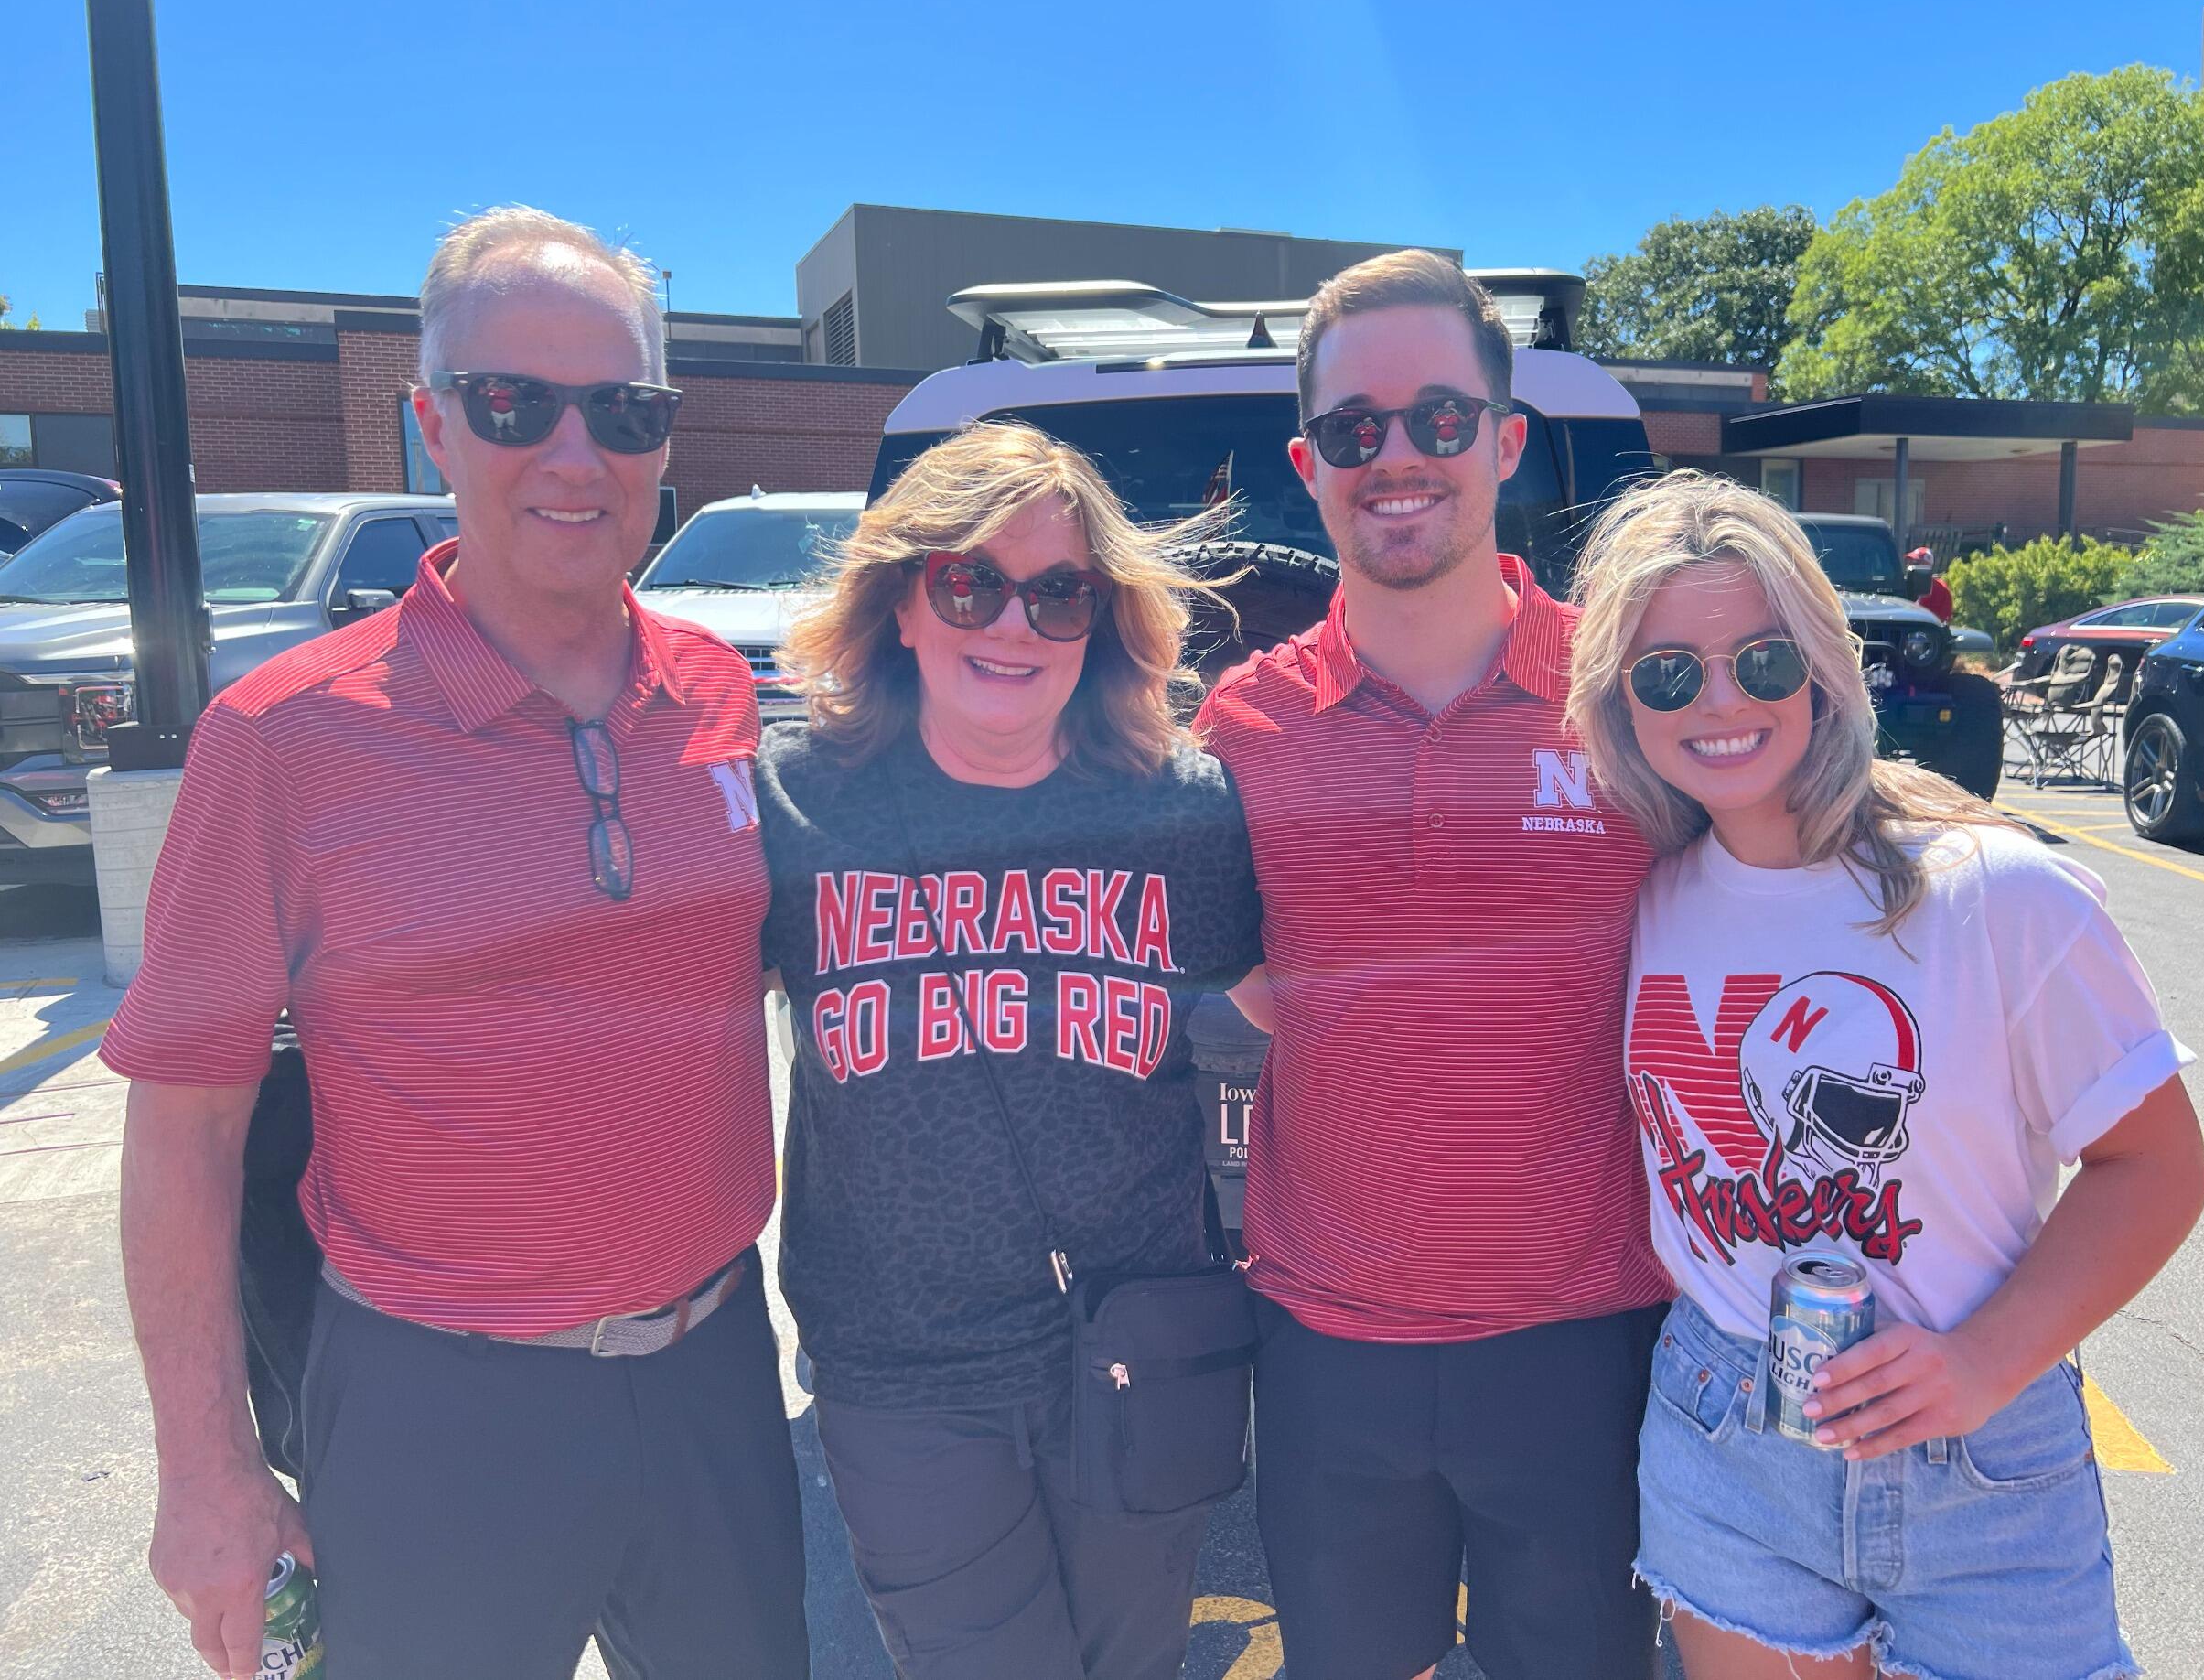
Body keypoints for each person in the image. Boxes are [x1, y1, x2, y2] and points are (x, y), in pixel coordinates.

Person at [103, 206, 809, 1680]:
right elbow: (184, 1126)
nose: (575, 453)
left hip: (718, 1376)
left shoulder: (718, 693)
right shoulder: (284, 737)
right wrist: (207, 1472)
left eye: (623, 410)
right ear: (432, 424)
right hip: (437, 1409)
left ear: (665, 437)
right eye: (514, 403)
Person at [1566, 471, 2204, 1680]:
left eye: (1760, 659)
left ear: (1820, 663)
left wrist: (1984, 1360)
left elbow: (2157, 1166)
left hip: (1983, 1454)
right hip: (1727, 1433)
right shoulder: (1647, 901)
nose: (1720, 699)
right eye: (1667, 672)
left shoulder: (1993, 891)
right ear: (1621, 700)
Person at [1196, 251, 1671, 1680]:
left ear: (1506, 439)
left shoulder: (1626, 696)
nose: (1398, 457)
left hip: (1585, 1339)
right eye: (1356, 429)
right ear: (1311, 460)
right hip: (1328, 1340)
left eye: (1441, 420)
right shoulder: (1242, 727)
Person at [758, 420, 1263, 1680]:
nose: (1015, 624)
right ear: (903, 601)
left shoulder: (1185, 810)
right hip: (901, 1363)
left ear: (1101, 619)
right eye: (971, 581)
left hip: (1136, 1344)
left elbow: (1316, 1002)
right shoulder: (794, 805)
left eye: (1059, 593)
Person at [1908, 546, 1954, 621]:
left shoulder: (1941, 590)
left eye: (1914, 563)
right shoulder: (1903, 584)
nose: (1909, 566)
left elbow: (1942, 622)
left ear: (1926, 567)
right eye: (1909, 562)